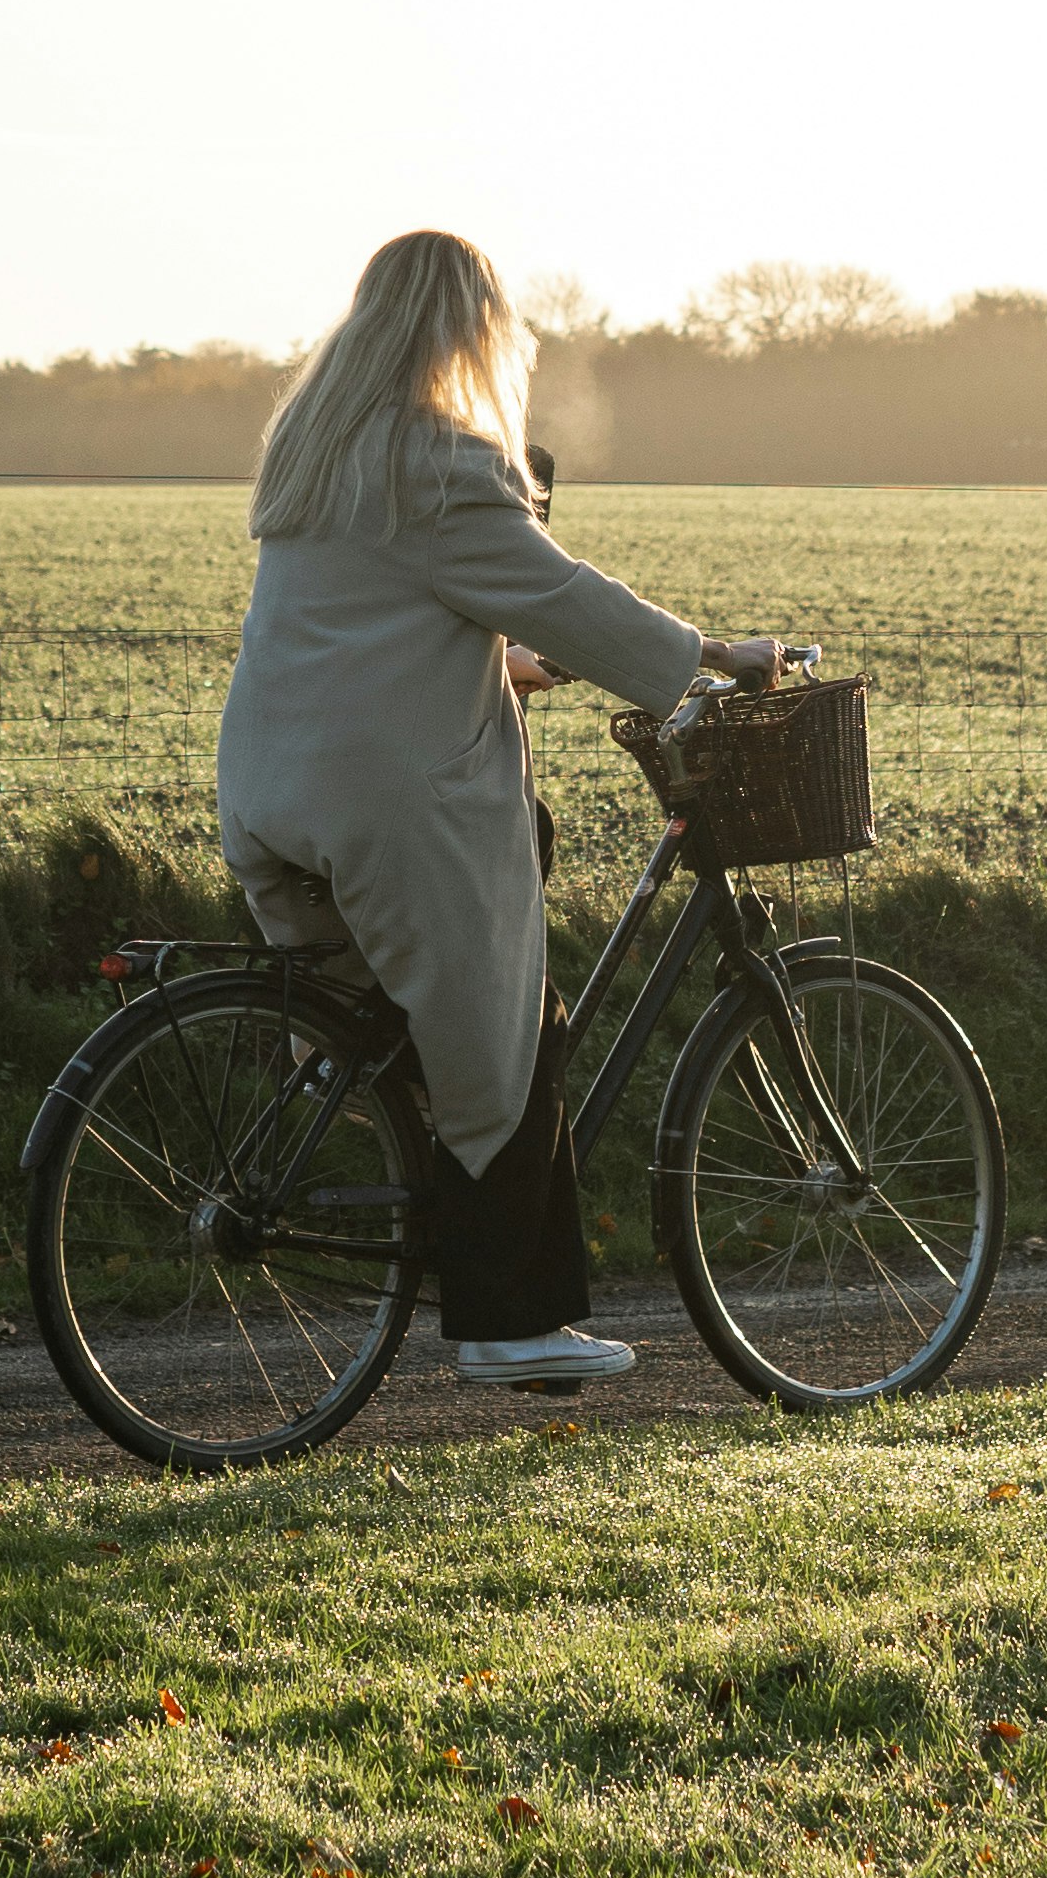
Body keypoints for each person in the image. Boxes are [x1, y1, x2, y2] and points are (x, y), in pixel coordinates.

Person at [216, 229, 774, 1392]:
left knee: (423, 1027)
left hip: (273, 786)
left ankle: (398, 1171)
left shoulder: (316, 449)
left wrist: (498, 670)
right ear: (468, 330)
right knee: (513, 1032)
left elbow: (366, 626)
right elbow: (562, 593)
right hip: (385, 809)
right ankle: (504, 1319)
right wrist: (710, 657)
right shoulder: (437, 460)